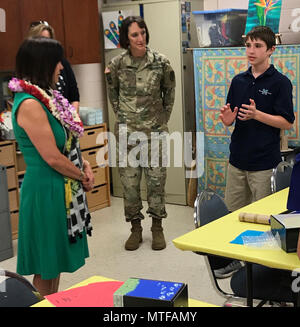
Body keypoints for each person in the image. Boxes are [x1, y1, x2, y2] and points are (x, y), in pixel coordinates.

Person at [9, 37, 94, 297]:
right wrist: (81, 176)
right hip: (45, 191)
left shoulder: (47, 98)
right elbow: (52, 158)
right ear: (43, 64)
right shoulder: (30, 104)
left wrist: (85, 163)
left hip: (58, 187)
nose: (61, 67)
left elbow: (65, 145)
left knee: (54, 264)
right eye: (57, 61)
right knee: (46, 268)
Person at [217, 26, 295, 278]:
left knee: (262, 219)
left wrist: (257, 114)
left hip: (264, 162)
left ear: (271, 50)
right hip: (237, 159)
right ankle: (234, 260)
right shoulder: (238, 80)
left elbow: (287, 122)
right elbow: (231, 118)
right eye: (248, 45)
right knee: (233, 214)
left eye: (258, 46)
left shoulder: (281, 83)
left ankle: (260, 268)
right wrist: (227, 120)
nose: (251, 50)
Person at [105, 16, 175, 251]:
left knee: (156, 182)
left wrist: (162, 119)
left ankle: (157, 228)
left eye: (143, 32)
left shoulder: (161, 62)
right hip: (127, 137)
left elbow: (169, 92)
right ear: (126, 38)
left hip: (155, 134)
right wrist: (123, 117)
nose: (140, 38)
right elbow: (113, 94)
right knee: (130, 185)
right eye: (135, 34)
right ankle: (135, 228)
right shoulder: (116, 65)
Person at [27, 21, 80, 112]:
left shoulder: (62, 63)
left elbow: (74, 96)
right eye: (42, 40)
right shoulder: (28, 70)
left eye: (49, 40)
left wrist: (72, 120)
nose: (46, 45)